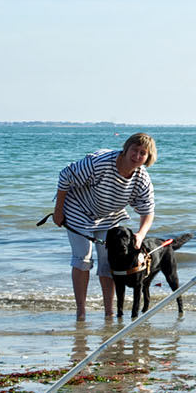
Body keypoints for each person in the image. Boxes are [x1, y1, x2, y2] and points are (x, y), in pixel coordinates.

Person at [54, 132, 157, 321]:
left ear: (148, 158)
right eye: (134, 150)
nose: (137, 156)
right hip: (78, 209)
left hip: (108, 216)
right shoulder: (101, 162)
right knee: (82, 259)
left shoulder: (141, 178)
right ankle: (81, 312)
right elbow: (65, 176)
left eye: (143, 153)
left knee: (108, 261)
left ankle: (109, 312)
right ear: (126, 149)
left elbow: (148, 210)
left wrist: (141, 235)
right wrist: (58, 211)